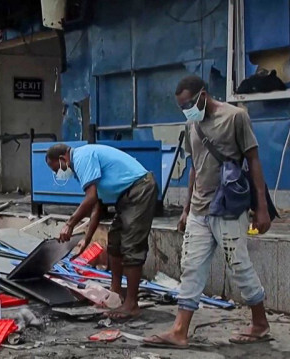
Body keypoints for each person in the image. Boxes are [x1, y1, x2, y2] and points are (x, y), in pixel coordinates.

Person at [144, 76, 271, 348]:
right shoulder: (192, 124)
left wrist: (261, 208)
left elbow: (254, 160)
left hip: (229, 207)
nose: (186, 109)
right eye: (181, 106)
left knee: (239, 265)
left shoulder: (236, 117)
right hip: (199, 211)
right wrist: (186, 208)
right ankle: (180, 330)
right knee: (191, 267)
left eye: (189, 103)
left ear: (203, 94)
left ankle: (260, 323)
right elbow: (194, 167)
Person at [46, 143, 158, 319]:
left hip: (139, 189)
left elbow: (90, 198)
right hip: (126, 195)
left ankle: (131, 304)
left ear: (62, 159)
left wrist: (70, 224)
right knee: (115, 241)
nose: (58, 173)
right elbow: (97, 205)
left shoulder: (81, 158)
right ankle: (116, 293)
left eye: (56, 169)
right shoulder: (80, 167)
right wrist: (86, 239)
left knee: (131, 245)